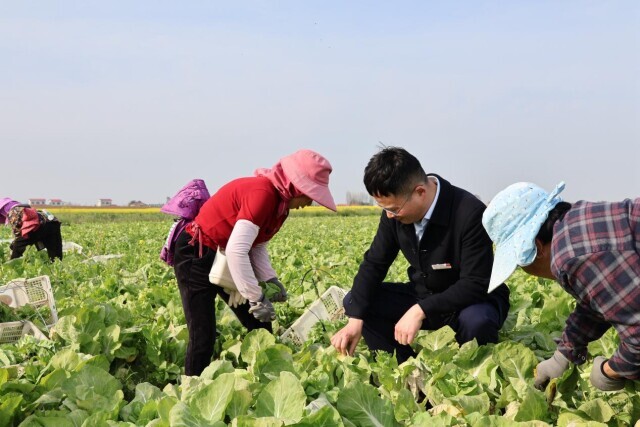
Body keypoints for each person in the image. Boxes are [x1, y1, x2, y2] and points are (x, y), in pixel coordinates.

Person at [330, 147, 510, 363]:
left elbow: (475, 283)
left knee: (477, 322)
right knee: (358, 300)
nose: (389, 215)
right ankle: (402, 369)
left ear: (420, 192)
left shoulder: (469, 212)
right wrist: (355, 317)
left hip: (471, 301)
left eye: (395, 209)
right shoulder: (394, 215)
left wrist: (420, 310)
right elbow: (375, 263)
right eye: (384, 208)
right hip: (425, 294)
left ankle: (472, 371)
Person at [173, 149, 336, 376]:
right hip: (195, 252)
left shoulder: (279, 207)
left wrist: (270, 279)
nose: (310, 202)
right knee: (203, 334)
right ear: (296, 188)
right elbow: (237, 250)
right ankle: (190, 392)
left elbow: (256, 245)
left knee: (260, 327)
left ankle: (269, 378)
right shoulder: (263, 194)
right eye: (310, 194)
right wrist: (256, 297)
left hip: (221, 255)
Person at [482, 182, 639, 391]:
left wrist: (609, 371)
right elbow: (595, 301)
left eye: (519, 263)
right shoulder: (575, 226)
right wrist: (563, 354)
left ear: (536, 248)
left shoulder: (571, 257)